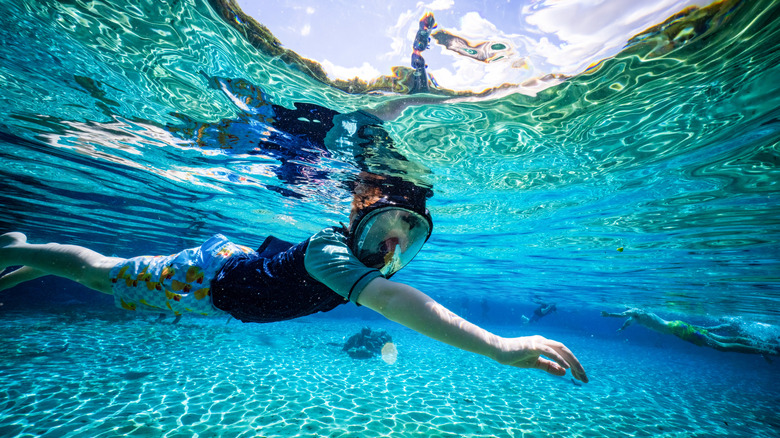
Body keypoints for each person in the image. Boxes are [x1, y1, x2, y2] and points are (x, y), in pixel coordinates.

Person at [0, 180, 588, 382]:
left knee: (105, 282)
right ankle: (23, 248)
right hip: (203, 282)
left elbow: (385, 281)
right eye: (393, 219)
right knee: (101, 276)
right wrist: (499, 345)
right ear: (361, 211)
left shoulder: (360, 256)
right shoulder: (331, 252)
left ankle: (32, 263)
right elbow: (391, 300)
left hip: (226, 287)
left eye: (414, 229)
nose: (399, 240)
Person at [601, 308, 778, 355]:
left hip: (679, 330)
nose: (627, 312)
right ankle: (761, 344)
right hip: (680, 326)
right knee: (716, 337)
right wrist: (621, 329)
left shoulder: (635, 311)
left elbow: (623, 315)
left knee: (721, 346)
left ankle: (763, 349)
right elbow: (627, 322)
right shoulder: (636, 316)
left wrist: (609, 315)